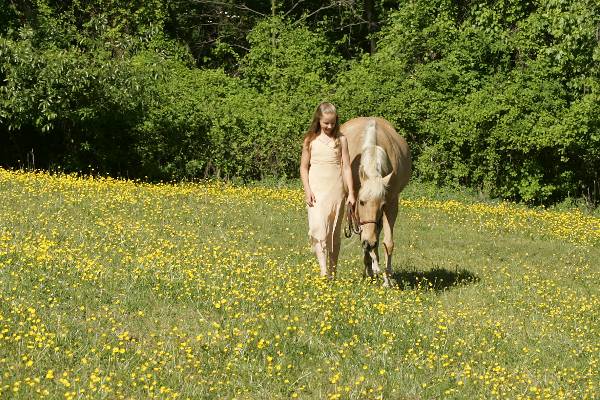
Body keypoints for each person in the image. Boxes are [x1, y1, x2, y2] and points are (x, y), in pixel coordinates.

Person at [300, 102, 356, 278]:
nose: (330, 126)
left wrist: (351, 193)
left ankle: (333, 271)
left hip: (336, 189)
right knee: (318, 227)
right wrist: (307, 190)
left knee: (333, 232)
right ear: (318, 120)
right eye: (326, 123)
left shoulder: (341, 140)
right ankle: (324, 271)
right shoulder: (310, 140)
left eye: (332, 123)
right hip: (316, 190)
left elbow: (346, 167)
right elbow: (303, 168)